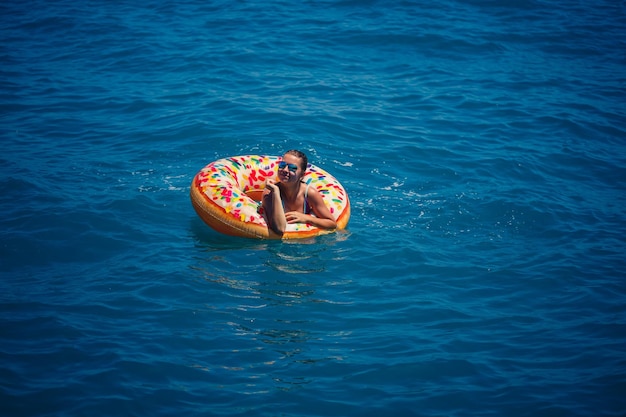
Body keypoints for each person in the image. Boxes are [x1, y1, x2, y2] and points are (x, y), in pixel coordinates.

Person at [262, 150, 337, 235]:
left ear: (302, 175)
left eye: (292, 168)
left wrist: (306, 218)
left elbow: (332, 223)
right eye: (282, 165)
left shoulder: (309, 194)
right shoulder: (269, 193)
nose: (285, 170)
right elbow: (279, 229)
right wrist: (275, 192)